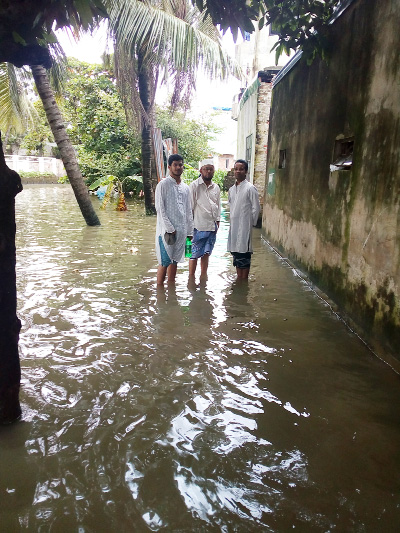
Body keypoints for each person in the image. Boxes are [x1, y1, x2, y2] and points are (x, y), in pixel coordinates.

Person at [155, 154, 194, 285]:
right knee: (164, 261)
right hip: (166, 232)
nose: (178, 167)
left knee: (175, 261)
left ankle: (171, 292)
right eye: (175, 165)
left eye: (180, 165)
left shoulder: (185, 188)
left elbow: (188, 211)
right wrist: (170, 229)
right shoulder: (163, 185)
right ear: (169, 167)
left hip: (182, 231)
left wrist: (190, 232)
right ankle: (160, 293)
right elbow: (160, 209)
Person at [227, 159, 260, 280]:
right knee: (236, 254)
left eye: (241, 169)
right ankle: (239, 280)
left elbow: (256, 208)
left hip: (245, 227)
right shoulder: (231, 190)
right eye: (236, 169)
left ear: (245, 171)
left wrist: (250, 224)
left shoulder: (250, 188)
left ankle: (243, 281)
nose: (238, 171)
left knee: (244, 255)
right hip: (234, 228)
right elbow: (231, 207)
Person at [189, 160, 221, 279]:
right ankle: (191, 279)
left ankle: (203, 278)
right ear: (201, 170)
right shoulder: (194, 186)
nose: (208, 171)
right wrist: (190, 228)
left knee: (206, 254)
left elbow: (218, 206)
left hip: (212, 227)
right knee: (193, 255)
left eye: (211, 169)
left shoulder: (216, 187)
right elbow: (190, 208)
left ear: (213, 171)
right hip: (197, 227)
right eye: (206, 168)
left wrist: (218, 221)